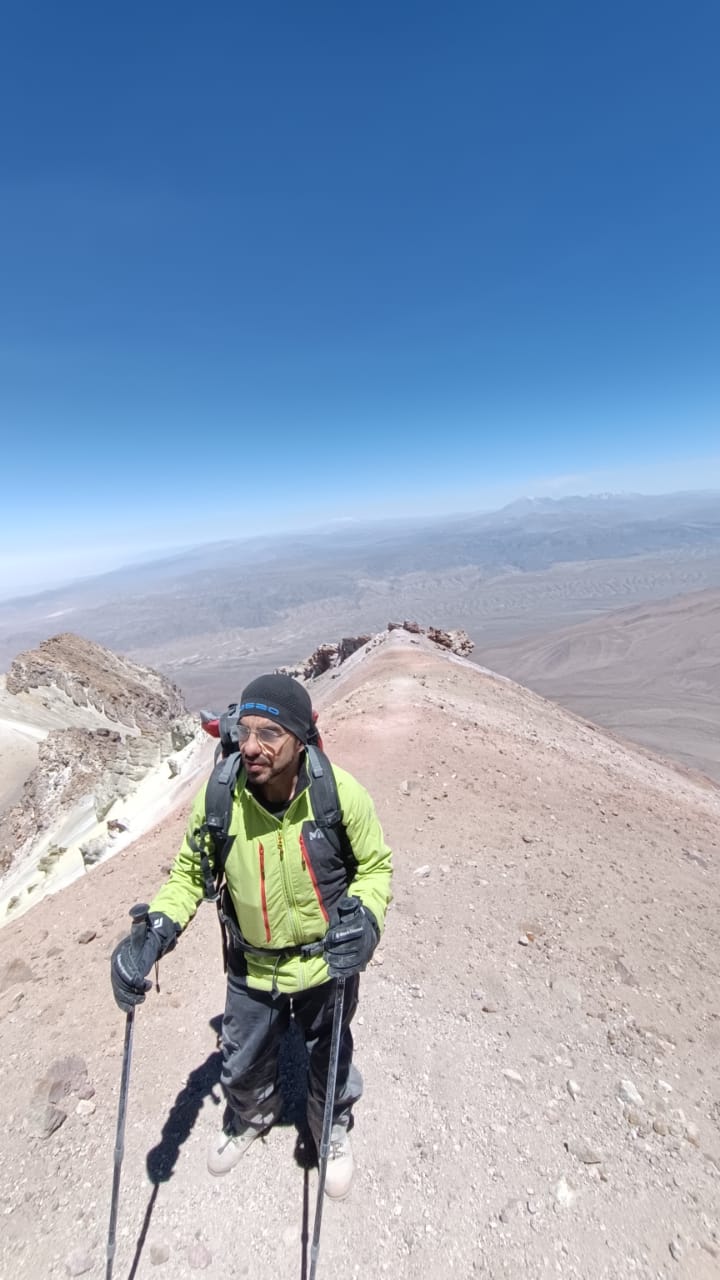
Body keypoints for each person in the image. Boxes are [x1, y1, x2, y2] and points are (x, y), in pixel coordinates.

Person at [110, 673, 392, 1200]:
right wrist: (157, 930)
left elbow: (374, 867)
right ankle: (252, 1116)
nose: (251, 747)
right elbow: (191, 874)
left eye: (270, 734)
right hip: (251, 964)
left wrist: (367, 924)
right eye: (245, 731)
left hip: (325, 964)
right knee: (239, 1060)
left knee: (330, 1053)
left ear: (301, 737)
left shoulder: (338, 794)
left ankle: (329, 1125)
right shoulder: (221, 799)